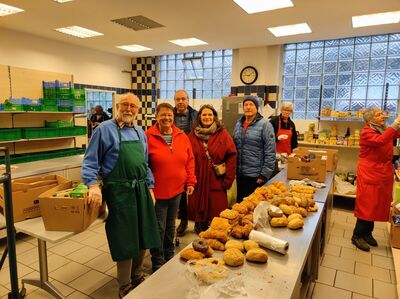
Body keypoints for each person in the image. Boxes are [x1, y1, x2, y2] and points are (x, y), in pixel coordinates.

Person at [81, 93, 160, 298]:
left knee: (143, 235)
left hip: (141, 190)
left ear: (138, 109)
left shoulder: (139, 132)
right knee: (125, 239)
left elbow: (145, 164)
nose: (129, 109)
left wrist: (150, 187)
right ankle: (124, 285)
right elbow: (90, 162)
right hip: (119, 192)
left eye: (133, 106)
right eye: (125, 104)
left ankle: (137, 275)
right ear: (117, 106)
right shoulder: (104, 130)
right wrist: (92, 186)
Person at [145, 103, 196, 272]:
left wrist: (190, 181)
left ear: (173, 117)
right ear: (156, 116)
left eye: (169, 115)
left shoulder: (182, 135)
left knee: (171, 226)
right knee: (158, 228)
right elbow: (144, 164)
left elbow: (190, 161)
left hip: (177, 190)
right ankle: (158, 261)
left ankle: (169, 254)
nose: (166, 118)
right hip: (157, 192)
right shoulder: (148, 136)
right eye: (163, 115)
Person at [352, 108, 400, 251]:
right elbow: (381, 140)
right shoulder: (367, 132)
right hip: (370, 172)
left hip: (382, 171)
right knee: (367, 204)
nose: (382, 116)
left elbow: (395, 134)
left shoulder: (382, 128)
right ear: (370, 119)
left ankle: (367, 233)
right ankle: (357, 235)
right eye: (379, 115)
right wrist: (395, 123)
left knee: (376, 204)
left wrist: (397, 123)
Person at [188, 105, 237, 234]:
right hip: (197, 182)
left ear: (214, 117)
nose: (207, 117)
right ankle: (199, 232)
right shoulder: (192, 135)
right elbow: (186, 157)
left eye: (210, 114)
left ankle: (216, 237)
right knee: (197, 212)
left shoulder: (223, 134)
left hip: (217, 181)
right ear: (199, 117)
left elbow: (232, 157)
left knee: (217, 214)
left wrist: (228, 181)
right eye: (204, 115)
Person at [233, 95, 276, 203]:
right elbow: (234, 146)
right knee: (241, 206)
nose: (248, 107)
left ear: (257, 108)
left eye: (251, 104)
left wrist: (264, 175)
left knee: (253, 207)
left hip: (255, 176)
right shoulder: (239, 124)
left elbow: (270, 152)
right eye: (246, 105)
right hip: (240, 174)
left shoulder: (265, 125)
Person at [173, 90, 198, 237]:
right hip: (176, 160)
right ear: (174, 101)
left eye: (183, 99)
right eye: (178, 99)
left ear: (188, 100)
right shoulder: (168, 114)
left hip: (194, 157)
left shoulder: (196, 115)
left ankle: (199, 220)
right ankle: (183, 221)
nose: (181, 101)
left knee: (195, 191)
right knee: (180, 194)